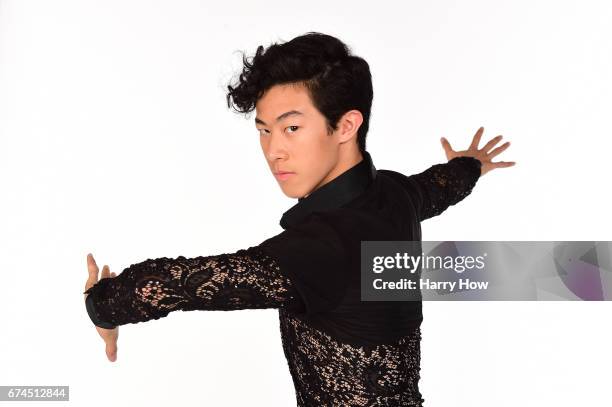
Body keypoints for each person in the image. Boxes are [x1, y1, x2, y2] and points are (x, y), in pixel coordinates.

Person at [83, 32, 515, 406]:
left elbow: (179, 285)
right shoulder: (395, 194)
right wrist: (469, 166)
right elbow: (436, 188)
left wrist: (101, 305)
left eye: (291, 128)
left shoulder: (321, 249)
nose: (273, 150)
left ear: (346, 125)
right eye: (264, 130)